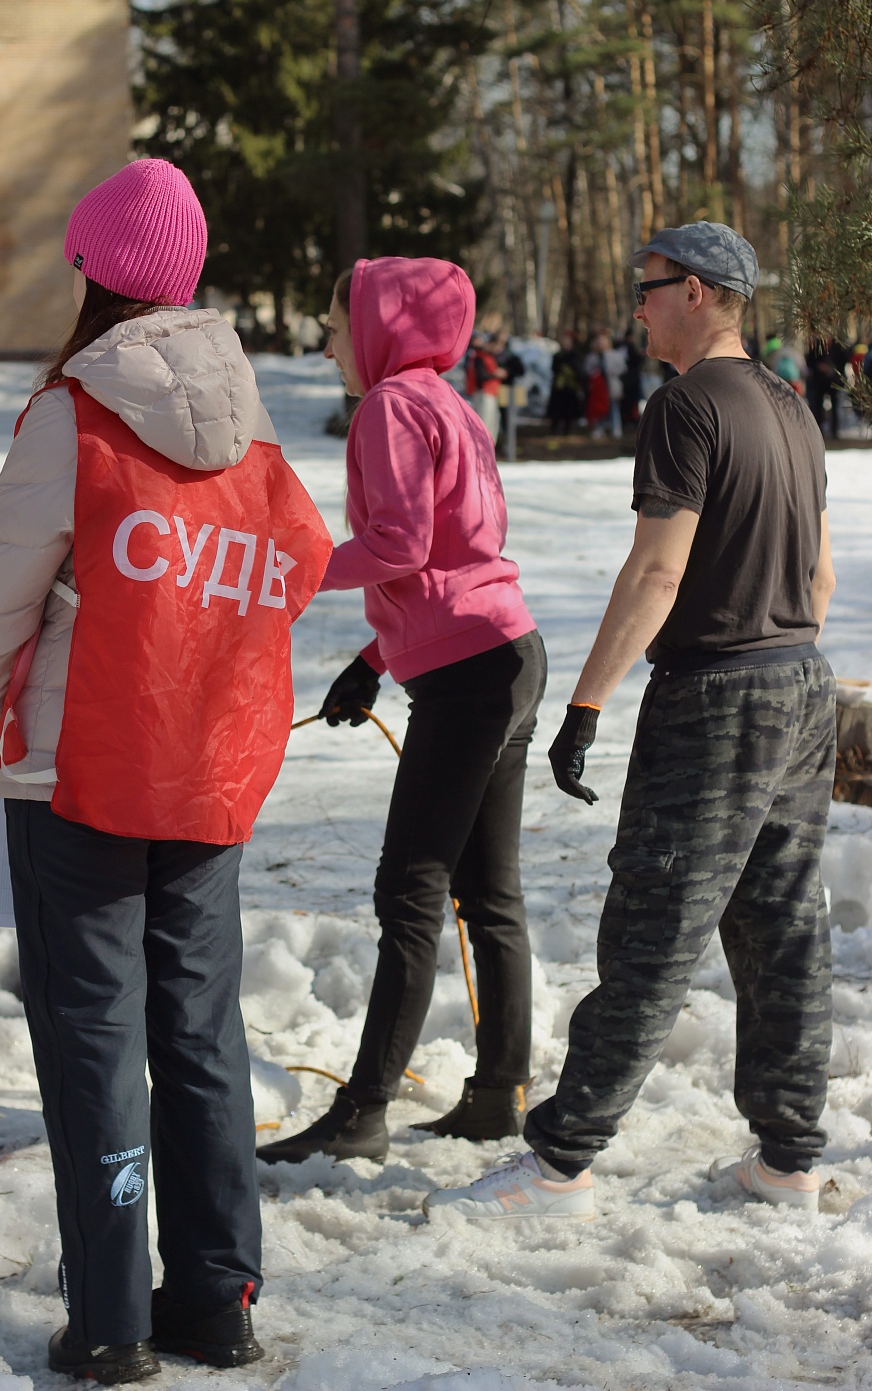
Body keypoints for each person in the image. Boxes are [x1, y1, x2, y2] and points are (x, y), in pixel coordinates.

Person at [0, 159, 332, 1384]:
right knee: (201, 1033)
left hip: (81, 774)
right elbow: (298, 561)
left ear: (92, 273)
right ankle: (217, 1298)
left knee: (94, 1039)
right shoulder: (252, 421)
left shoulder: (74, 412)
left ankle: (112, 1322)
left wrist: (7, 726)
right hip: (205, 774)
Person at [426, 220, 836, 1223]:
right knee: (783, 926)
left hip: (717, 695)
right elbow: (820, 578)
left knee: (655, 924)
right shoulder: (791, 407)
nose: (637, 306)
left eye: (647, 287)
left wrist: (585, 704)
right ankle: (788, 1158)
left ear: (695, 291)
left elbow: (657, 571)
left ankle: (559, 1163)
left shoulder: (686, 406)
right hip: (800, 681)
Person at [256, 256, 546, 1166]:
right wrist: (374, 659)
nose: (329, 344)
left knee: (410, 890)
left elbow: (399, 544)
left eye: (334, 325)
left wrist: (284, 569)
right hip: (509, 653)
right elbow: (457, 556)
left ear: (379, 325)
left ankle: (364, 1110)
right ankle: (498, 1094)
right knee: (488, 895)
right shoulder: (450, 402)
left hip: (468, 679)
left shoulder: (389, 405)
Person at [806, 338, 848, 439]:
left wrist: (835, 370)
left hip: (834, 381)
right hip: (819, 381)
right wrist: (819, 366)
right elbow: (810, 361)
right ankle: (819, 432)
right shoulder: (817, 345)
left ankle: (834, 431)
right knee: (818, 406)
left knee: (835, 406)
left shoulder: (837, 345)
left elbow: (843, 360)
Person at [547, 330, 584, 433]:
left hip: (570, 388)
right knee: (556, 409)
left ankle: (567, 428)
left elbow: (578, 370)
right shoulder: (558, 356)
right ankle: (554, 428)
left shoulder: (575, 356)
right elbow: (554, 368)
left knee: (569, 409)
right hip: (559, 387)